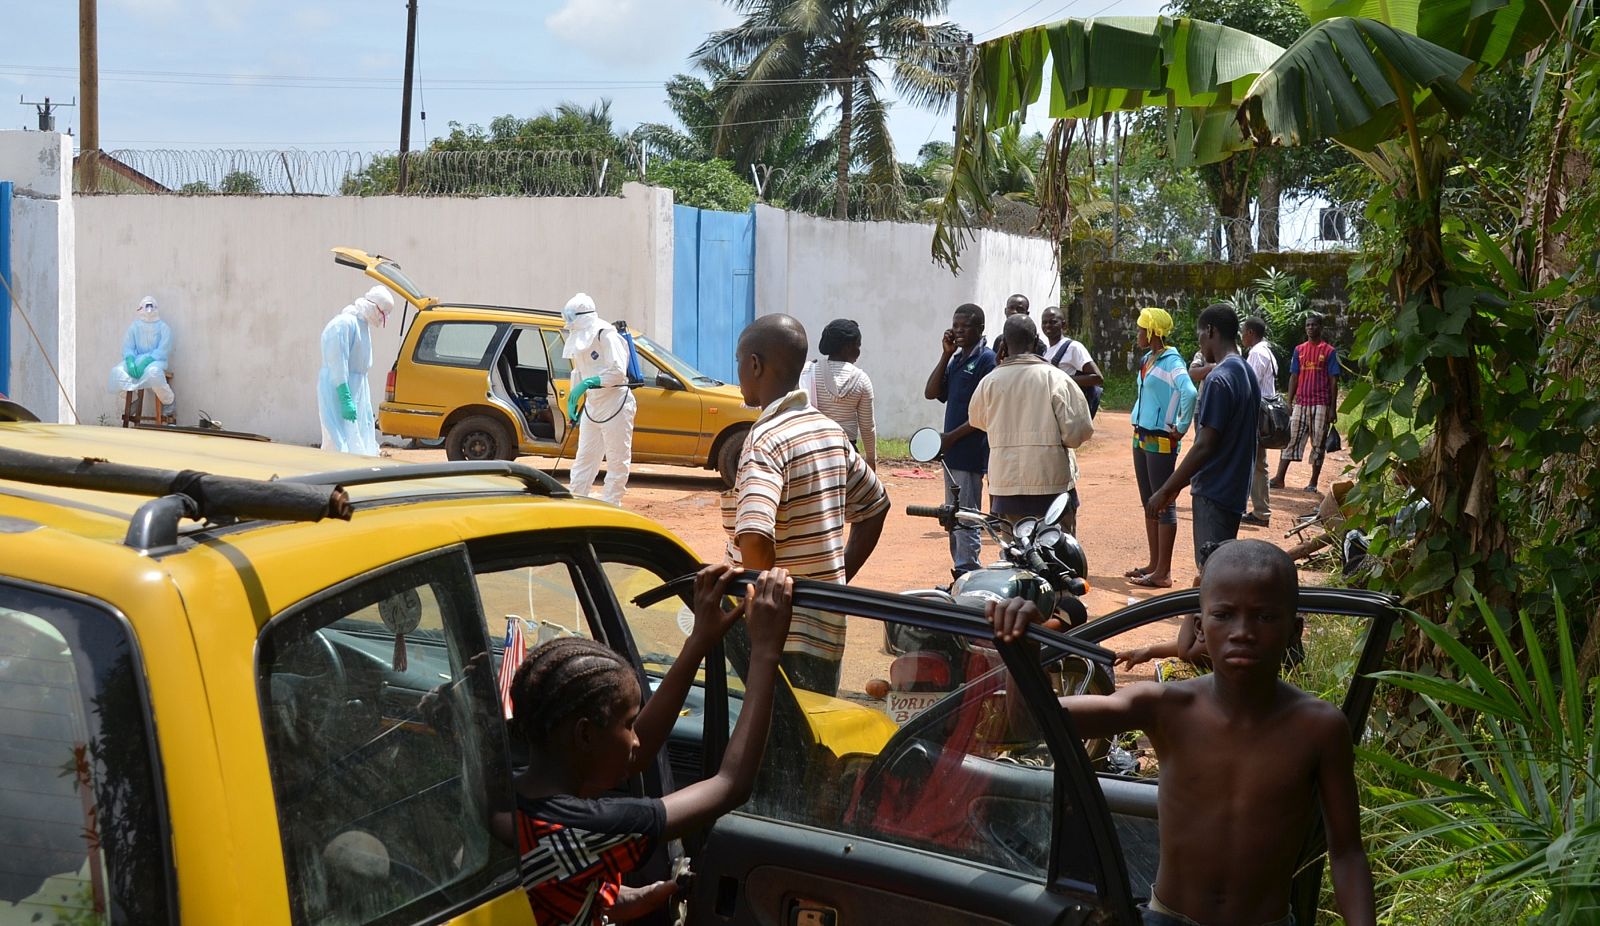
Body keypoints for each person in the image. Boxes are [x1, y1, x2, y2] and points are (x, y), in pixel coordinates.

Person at [988, 540, 1376, 926]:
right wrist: (1021, 653)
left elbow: (1346, 852)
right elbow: (1038, 722)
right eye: (1223, 615)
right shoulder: (1165, 708)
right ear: (1199, 625)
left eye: (1265, 617)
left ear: (1294, 631)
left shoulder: (1319, 728)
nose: (1242, 631)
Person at [504, 564, 795, 926]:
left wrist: (700, 639)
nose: (637, 738)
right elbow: (730, 785)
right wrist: (765, 652)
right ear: (584, 735)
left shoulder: (506, 796)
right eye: (628, 725)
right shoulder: (590, 829)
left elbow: (634, 757)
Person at [726, 314, 889, 696]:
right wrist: (837, 576)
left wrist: (760, 618)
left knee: (771, 747)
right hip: (826, 627)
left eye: (739, 362)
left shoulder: (765, 440)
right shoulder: (829, 431)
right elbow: (876, 506)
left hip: (778, 639)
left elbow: (754, 537)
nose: (739, 373)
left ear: (754, 364)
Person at [1147, 304, 1259, 572]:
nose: (1200, 342)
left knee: (1211, 570)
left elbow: (1205, 446)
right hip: (1235, 489)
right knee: (1219, 565)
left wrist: (1165, 490)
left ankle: (1205, 613)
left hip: (1214, 492)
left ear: (1210, 331)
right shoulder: (1246, 372)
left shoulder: (1218, 379)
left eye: (1199, 335)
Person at [967, 315, 1093, 533]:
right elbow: (1077, 433)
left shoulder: (990, 381)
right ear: (1036, 342)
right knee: (1059, 554)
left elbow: (977, 421)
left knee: (1014, 553)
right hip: (1051, 483)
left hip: (1006, 485)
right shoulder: (1056, 378)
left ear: (1004, 344)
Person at [1126, 308, 1197, 589]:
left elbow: (1189, 391)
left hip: (1161, 439)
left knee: (1163, 501)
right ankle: (1153, 565)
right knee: (1149, 501)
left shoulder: (1172, 361)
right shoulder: (1148, 358)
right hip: (1141, 436)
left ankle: (1163, 572)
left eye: (1142, 329)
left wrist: (1181, 426)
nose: (1138, 334)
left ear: (1154, 331)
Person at [925, 303, 996, 577]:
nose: (958, 331)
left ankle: (969, 571)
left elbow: (986, 413)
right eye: (955, 326)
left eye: (964, 326)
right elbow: (931, 392)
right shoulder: (956, 360)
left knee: (967, 515)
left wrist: (951, 438)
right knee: (953, 515)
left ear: (979, 328)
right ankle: (960, 571)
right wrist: (945, 355)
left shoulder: (986, 360)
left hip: (969, 452)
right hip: (951, 452)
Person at [563, 293, 638, 506]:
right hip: (592, 406)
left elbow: (617, 372)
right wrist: (573, 400)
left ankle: (612, 506)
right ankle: (576, 503)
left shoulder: (606, 335)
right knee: (584, 459)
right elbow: (578, 372)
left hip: (616, 404)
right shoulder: (578, 339)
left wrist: (588, 383)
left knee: (617, 460)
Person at [318, 285, 394, 456]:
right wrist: (345, 396)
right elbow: (337, 361)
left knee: (357, 435)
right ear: (374, 307)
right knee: (339, 439)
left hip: (357, 388)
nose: (382, 320)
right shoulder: (343, 324)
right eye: (383, 314)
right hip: (340, 388)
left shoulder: (362, 325)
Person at [1272, 314, 1341, 493]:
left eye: (1314, 325)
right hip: (1301, 402)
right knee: (1290, 439)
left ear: (1320, 327)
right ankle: (1279, 478)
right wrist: (1289, 401)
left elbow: (1334, 381)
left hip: (1321, 404)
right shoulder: (1299, 350)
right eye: (1308, 325)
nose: (1310, 328)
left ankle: (1313, 482)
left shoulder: (1329, 351)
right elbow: (1294, 376)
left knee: (1318, 443)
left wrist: (1332, 409)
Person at [800, 318, 878, 471]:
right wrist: (871, 459)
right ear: (847, 347)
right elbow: (867, 427)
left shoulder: (808, 371)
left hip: (813, 451)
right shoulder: (861, 380)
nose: (859, 351)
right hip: (846, 453)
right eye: (858, 345)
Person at [108, 296, 176, 423]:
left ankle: (168, 402)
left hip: (156, 361)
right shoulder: (134, 327)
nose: (148, 310)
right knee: (117, 372)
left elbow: (163, 350)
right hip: (137, 360)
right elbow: (128, 346)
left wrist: (147, 361)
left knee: (153, 373)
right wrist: (130, 360)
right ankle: (133, 398)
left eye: (151, 306)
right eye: (146, 306)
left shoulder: (163, 328)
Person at [1242, 316, 1279, 527]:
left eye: (1243, 331)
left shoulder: (1257, 353)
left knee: (1255, 463)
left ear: (1250, 333)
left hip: (1256, 412)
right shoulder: (1267, 352)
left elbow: (1249, 384)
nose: (1241, 336)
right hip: (1263, 412)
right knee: (1258, 463)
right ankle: (1260, 510)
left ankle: (1260, 511)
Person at [1040, 305, 1105, 417]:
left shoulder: (1073, 347)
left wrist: (1063, 378)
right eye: (1044, 322)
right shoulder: (1046, 352)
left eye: (1053, 322)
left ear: (1063, 325)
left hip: (1068, 412)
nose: (1047, 326)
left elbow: (1097, 378)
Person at [991, 293, 1047, 360]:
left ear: (1027, 314)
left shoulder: (1036, 343)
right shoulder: (999, 341)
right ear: (1005, 311)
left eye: (1020, 309)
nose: (1014, 312)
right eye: (1011, 308)